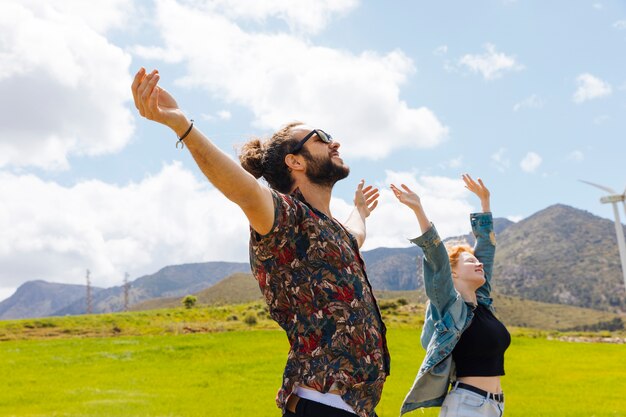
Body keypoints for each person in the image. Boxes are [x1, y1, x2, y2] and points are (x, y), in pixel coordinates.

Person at [131, 68, 390, 417]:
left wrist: (359, 210)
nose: (334, 142)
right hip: (322, 406)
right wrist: (182, 126)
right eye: (320, 137)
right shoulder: (286, 220)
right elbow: (246, 191)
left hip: (356, 408)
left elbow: (355, 233)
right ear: (295, 161)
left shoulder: (335, 232)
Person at [392, 174, 510, 417]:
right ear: (453, 273)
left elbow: (487, 249)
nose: (479, 264)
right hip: (467, 405)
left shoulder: (483, 303)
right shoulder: (450, 307)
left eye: (478, 261)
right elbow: (436, 258)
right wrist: (418, 210)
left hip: (495, 406)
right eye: (471, 261)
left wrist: (485, 204)